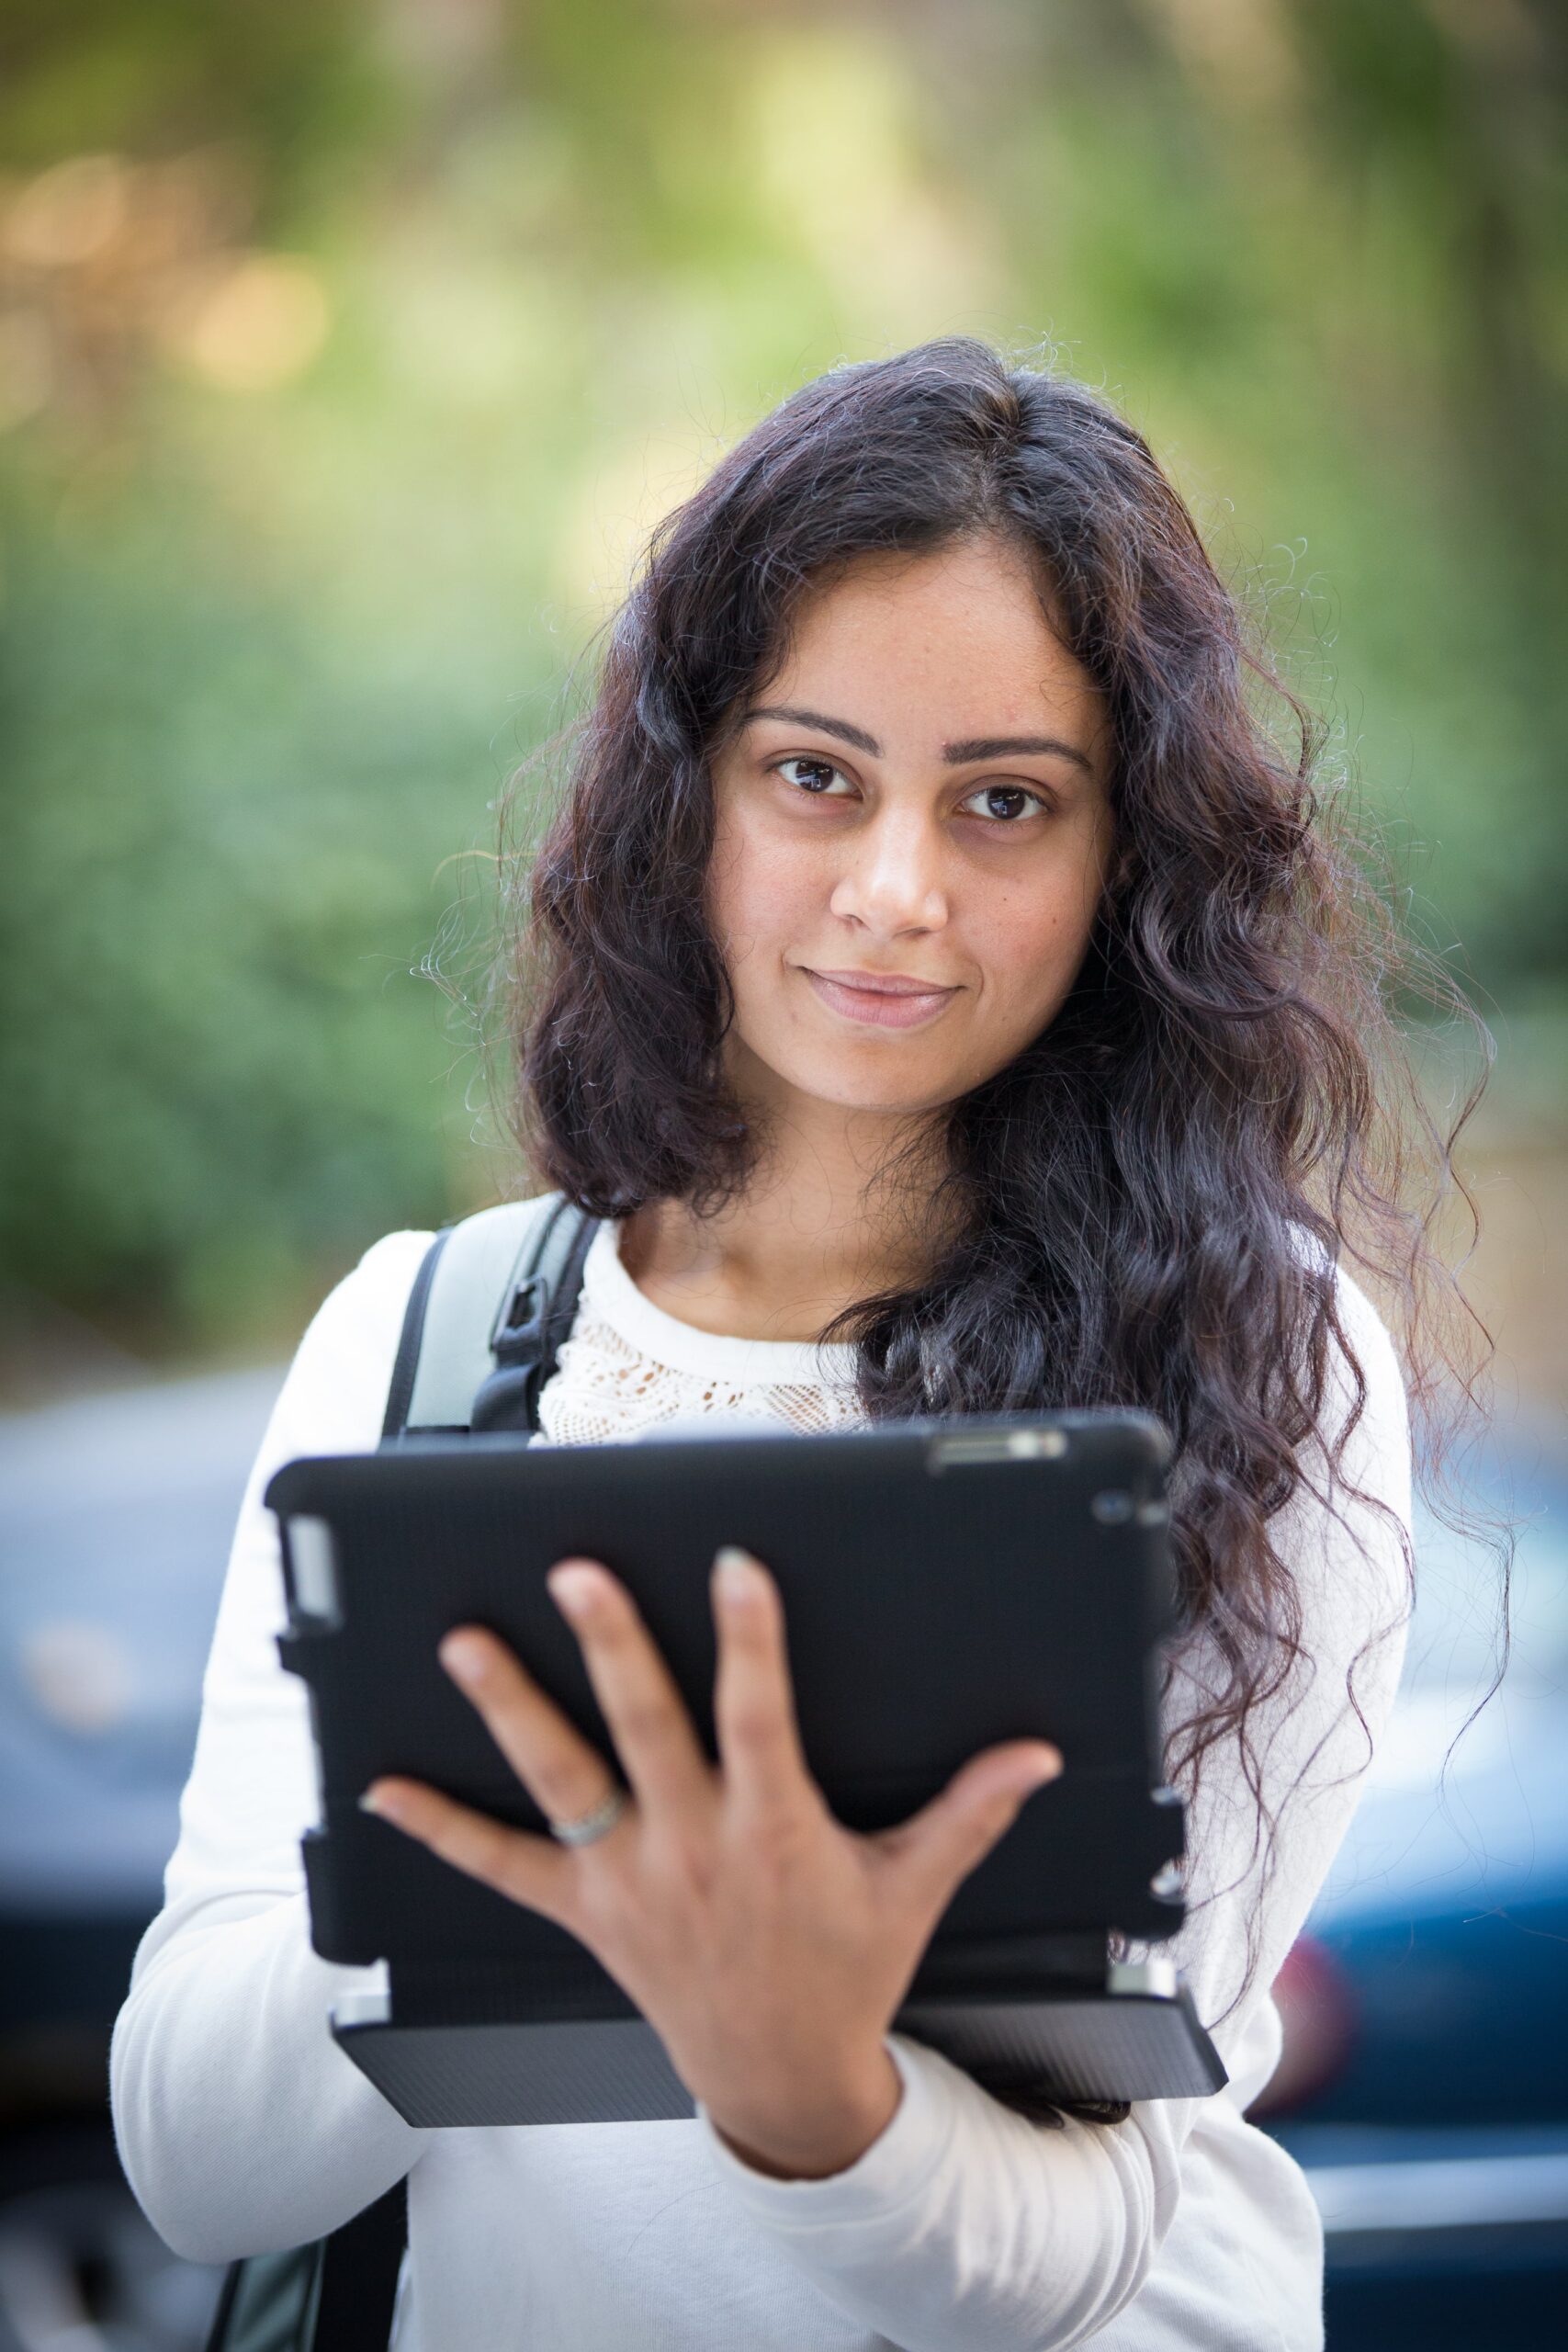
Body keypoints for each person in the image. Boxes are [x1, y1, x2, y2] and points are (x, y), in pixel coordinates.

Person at [110, 337, 1480, 2349]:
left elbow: (1088, 2235)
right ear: (691, 795)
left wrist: (806, 2081)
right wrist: (525, 1833)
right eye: (814, 774)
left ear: (1124, 866)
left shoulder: (1257, 1363)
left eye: (1003, 800)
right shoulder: (424, 1341)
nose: (895, 892)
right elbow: (197, 2158)